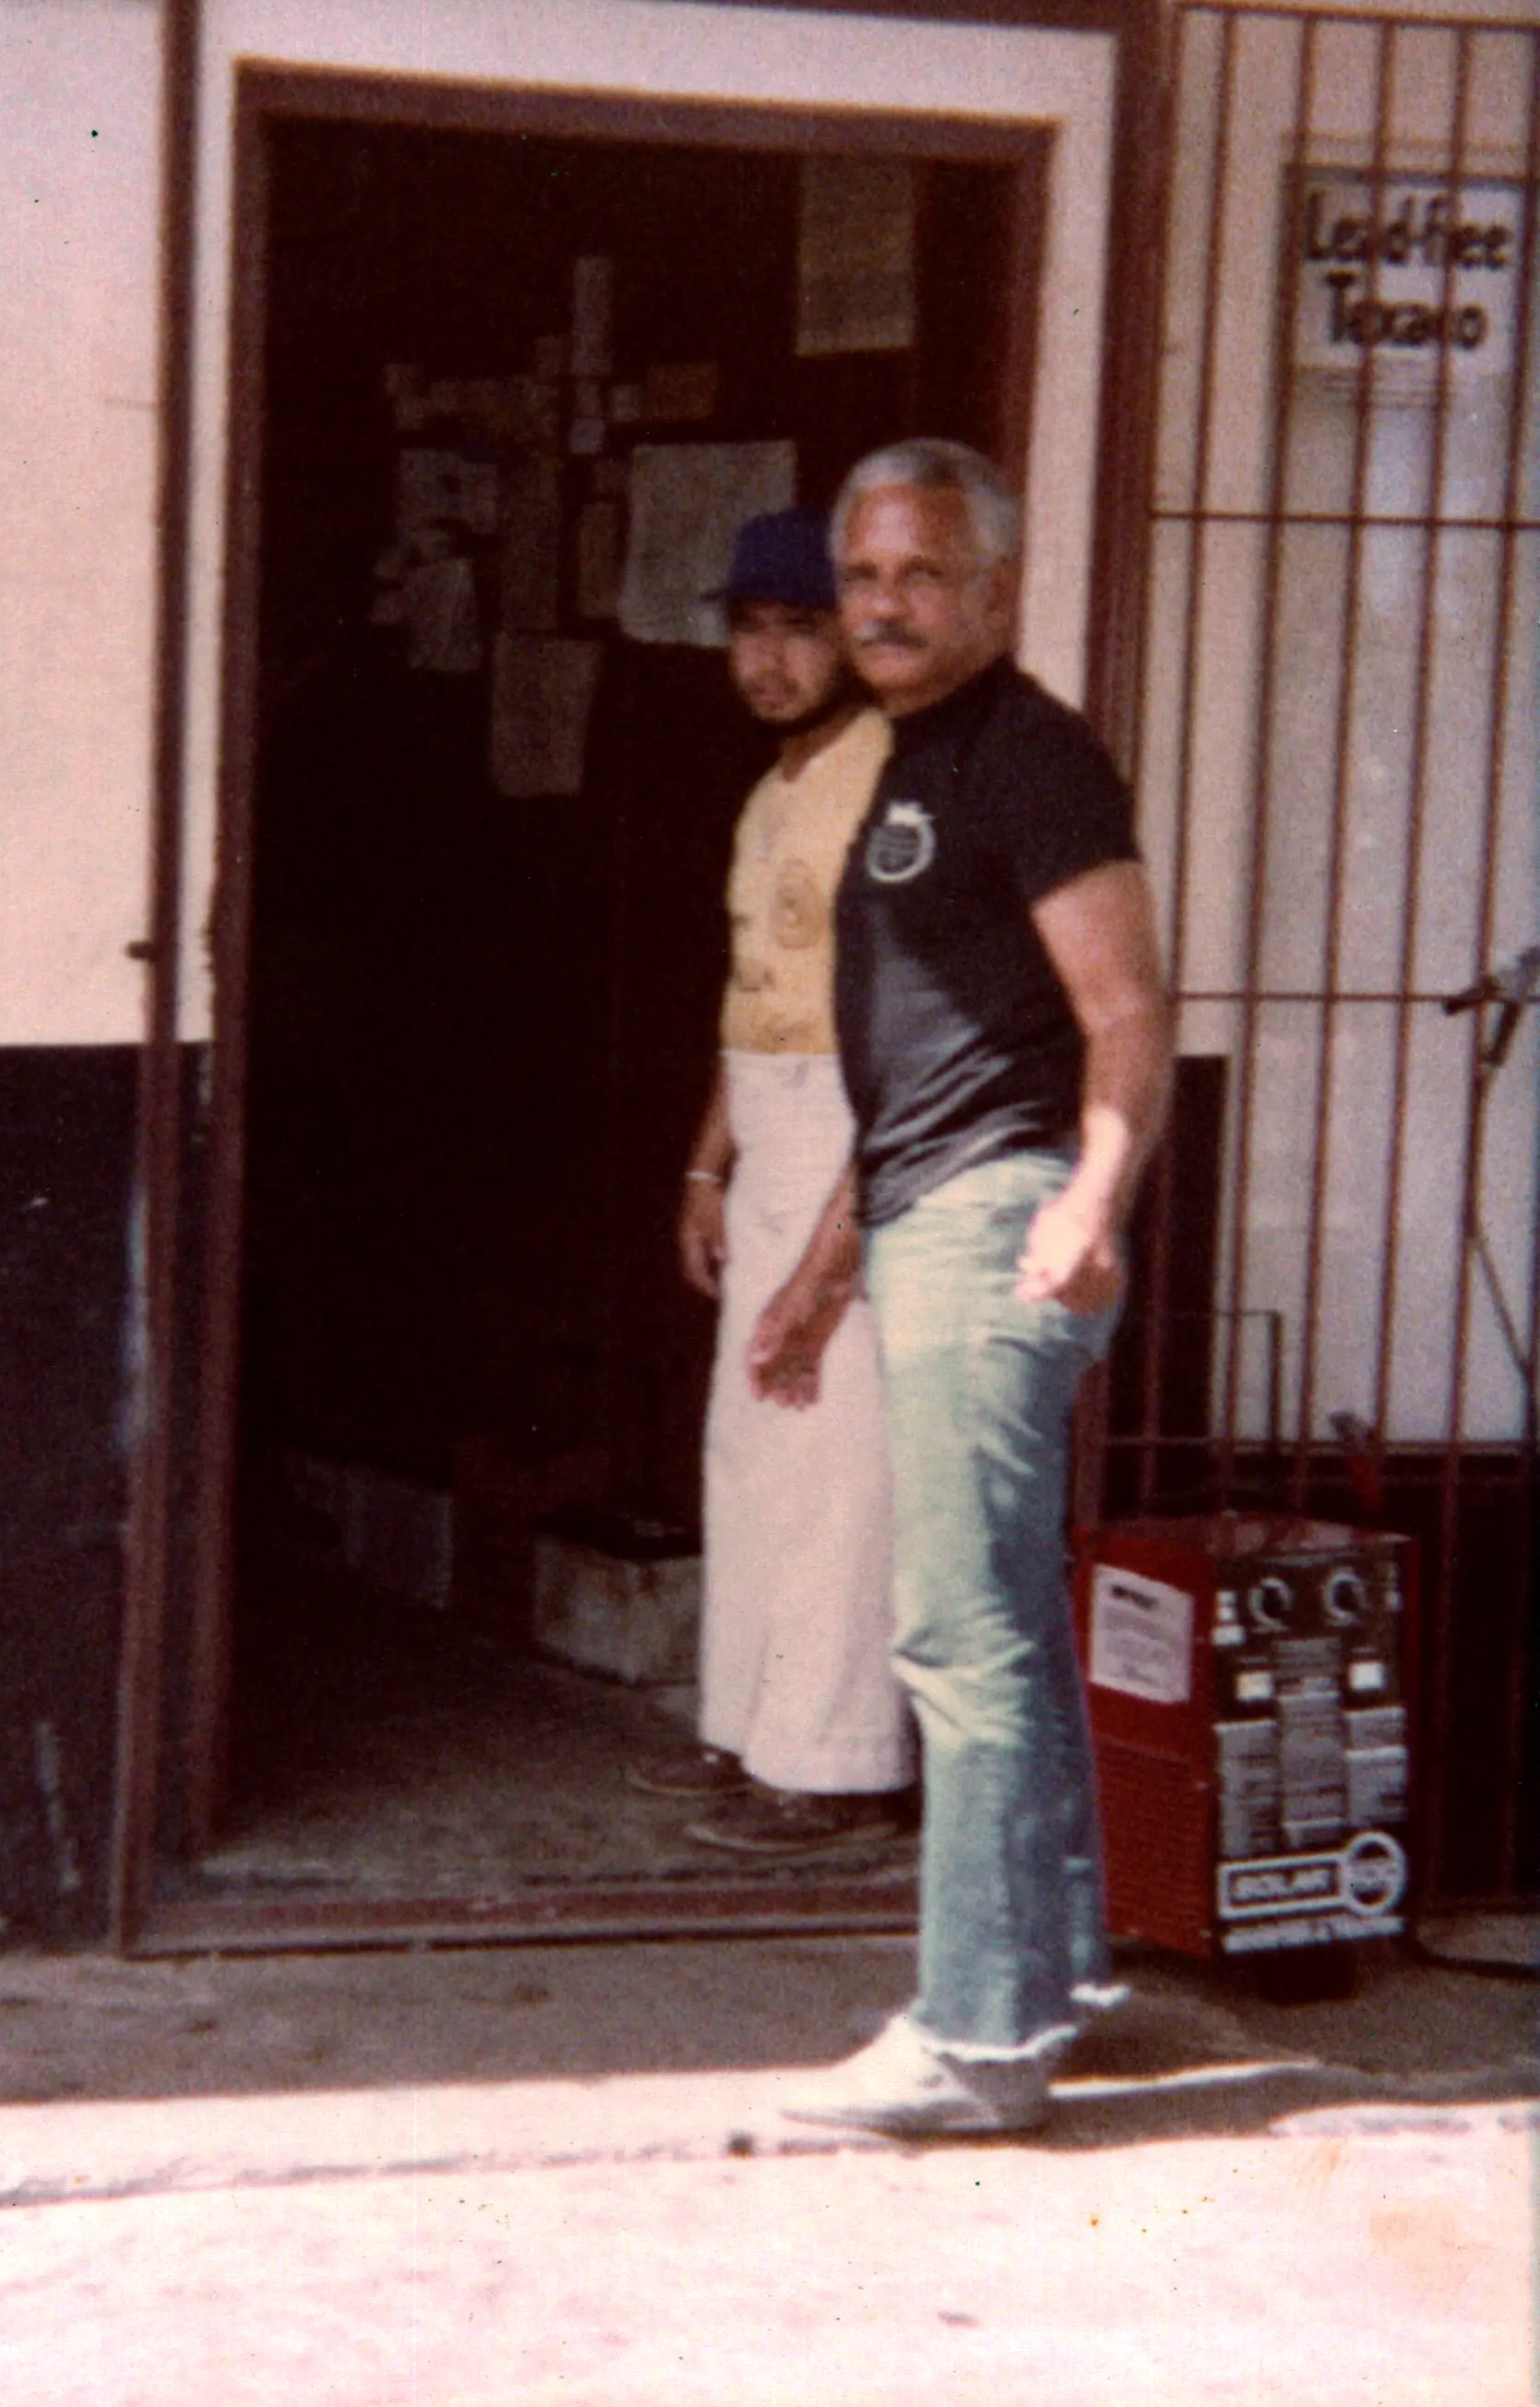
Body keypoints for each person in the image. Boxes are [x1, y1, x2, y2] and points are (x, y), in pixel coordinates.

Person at [755, 441, 1172, 2133]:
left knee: (959, 1631)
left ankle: (977, 2037)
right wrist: (820, 1275)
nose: (884, 604)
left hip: (1001, 1229)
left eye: (923, 574)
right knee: (998, 1620)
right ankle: (1053, 1973)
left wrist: (1089, 1198)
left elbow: (1126, 1012)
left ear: (995, 591)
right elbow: (936, 1058)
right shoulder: (912, 759)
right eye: (864, 575)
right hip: (930, 1215)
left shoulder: (1030, 757)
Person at [627, 508, 916, 1856]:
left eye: (800, 629)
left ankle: (840, 1764)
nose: (770, 658)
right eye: (751, 629)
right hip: (767, 1117)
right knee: (749, 1444)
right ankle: (749, 1736)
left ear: (853, 640)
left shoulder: (884, 780)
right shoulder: (773, 788)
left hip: (857, 1134)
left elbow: (906, 1025)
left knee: (834, 1452)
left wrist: (835, 1232)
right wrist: (705, 1161)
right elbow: (752, 1000)